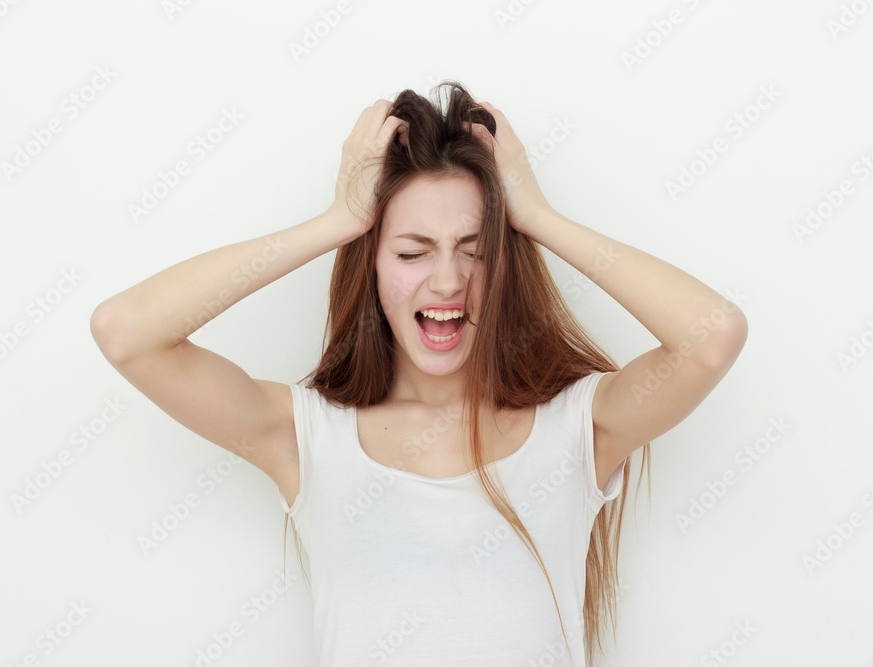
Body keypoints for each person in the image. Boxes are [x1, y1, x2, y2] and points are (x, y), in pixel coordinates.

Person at [90, 81, 747, 666]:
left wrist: (536, 216)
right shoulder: (310, 437)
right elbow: (126, 332)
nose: (447, 280)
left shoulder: (576, 428)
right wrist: (339, 219)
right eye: (411, 251)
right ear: (371, 267)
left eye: (474, 250)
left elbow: (712, 336)